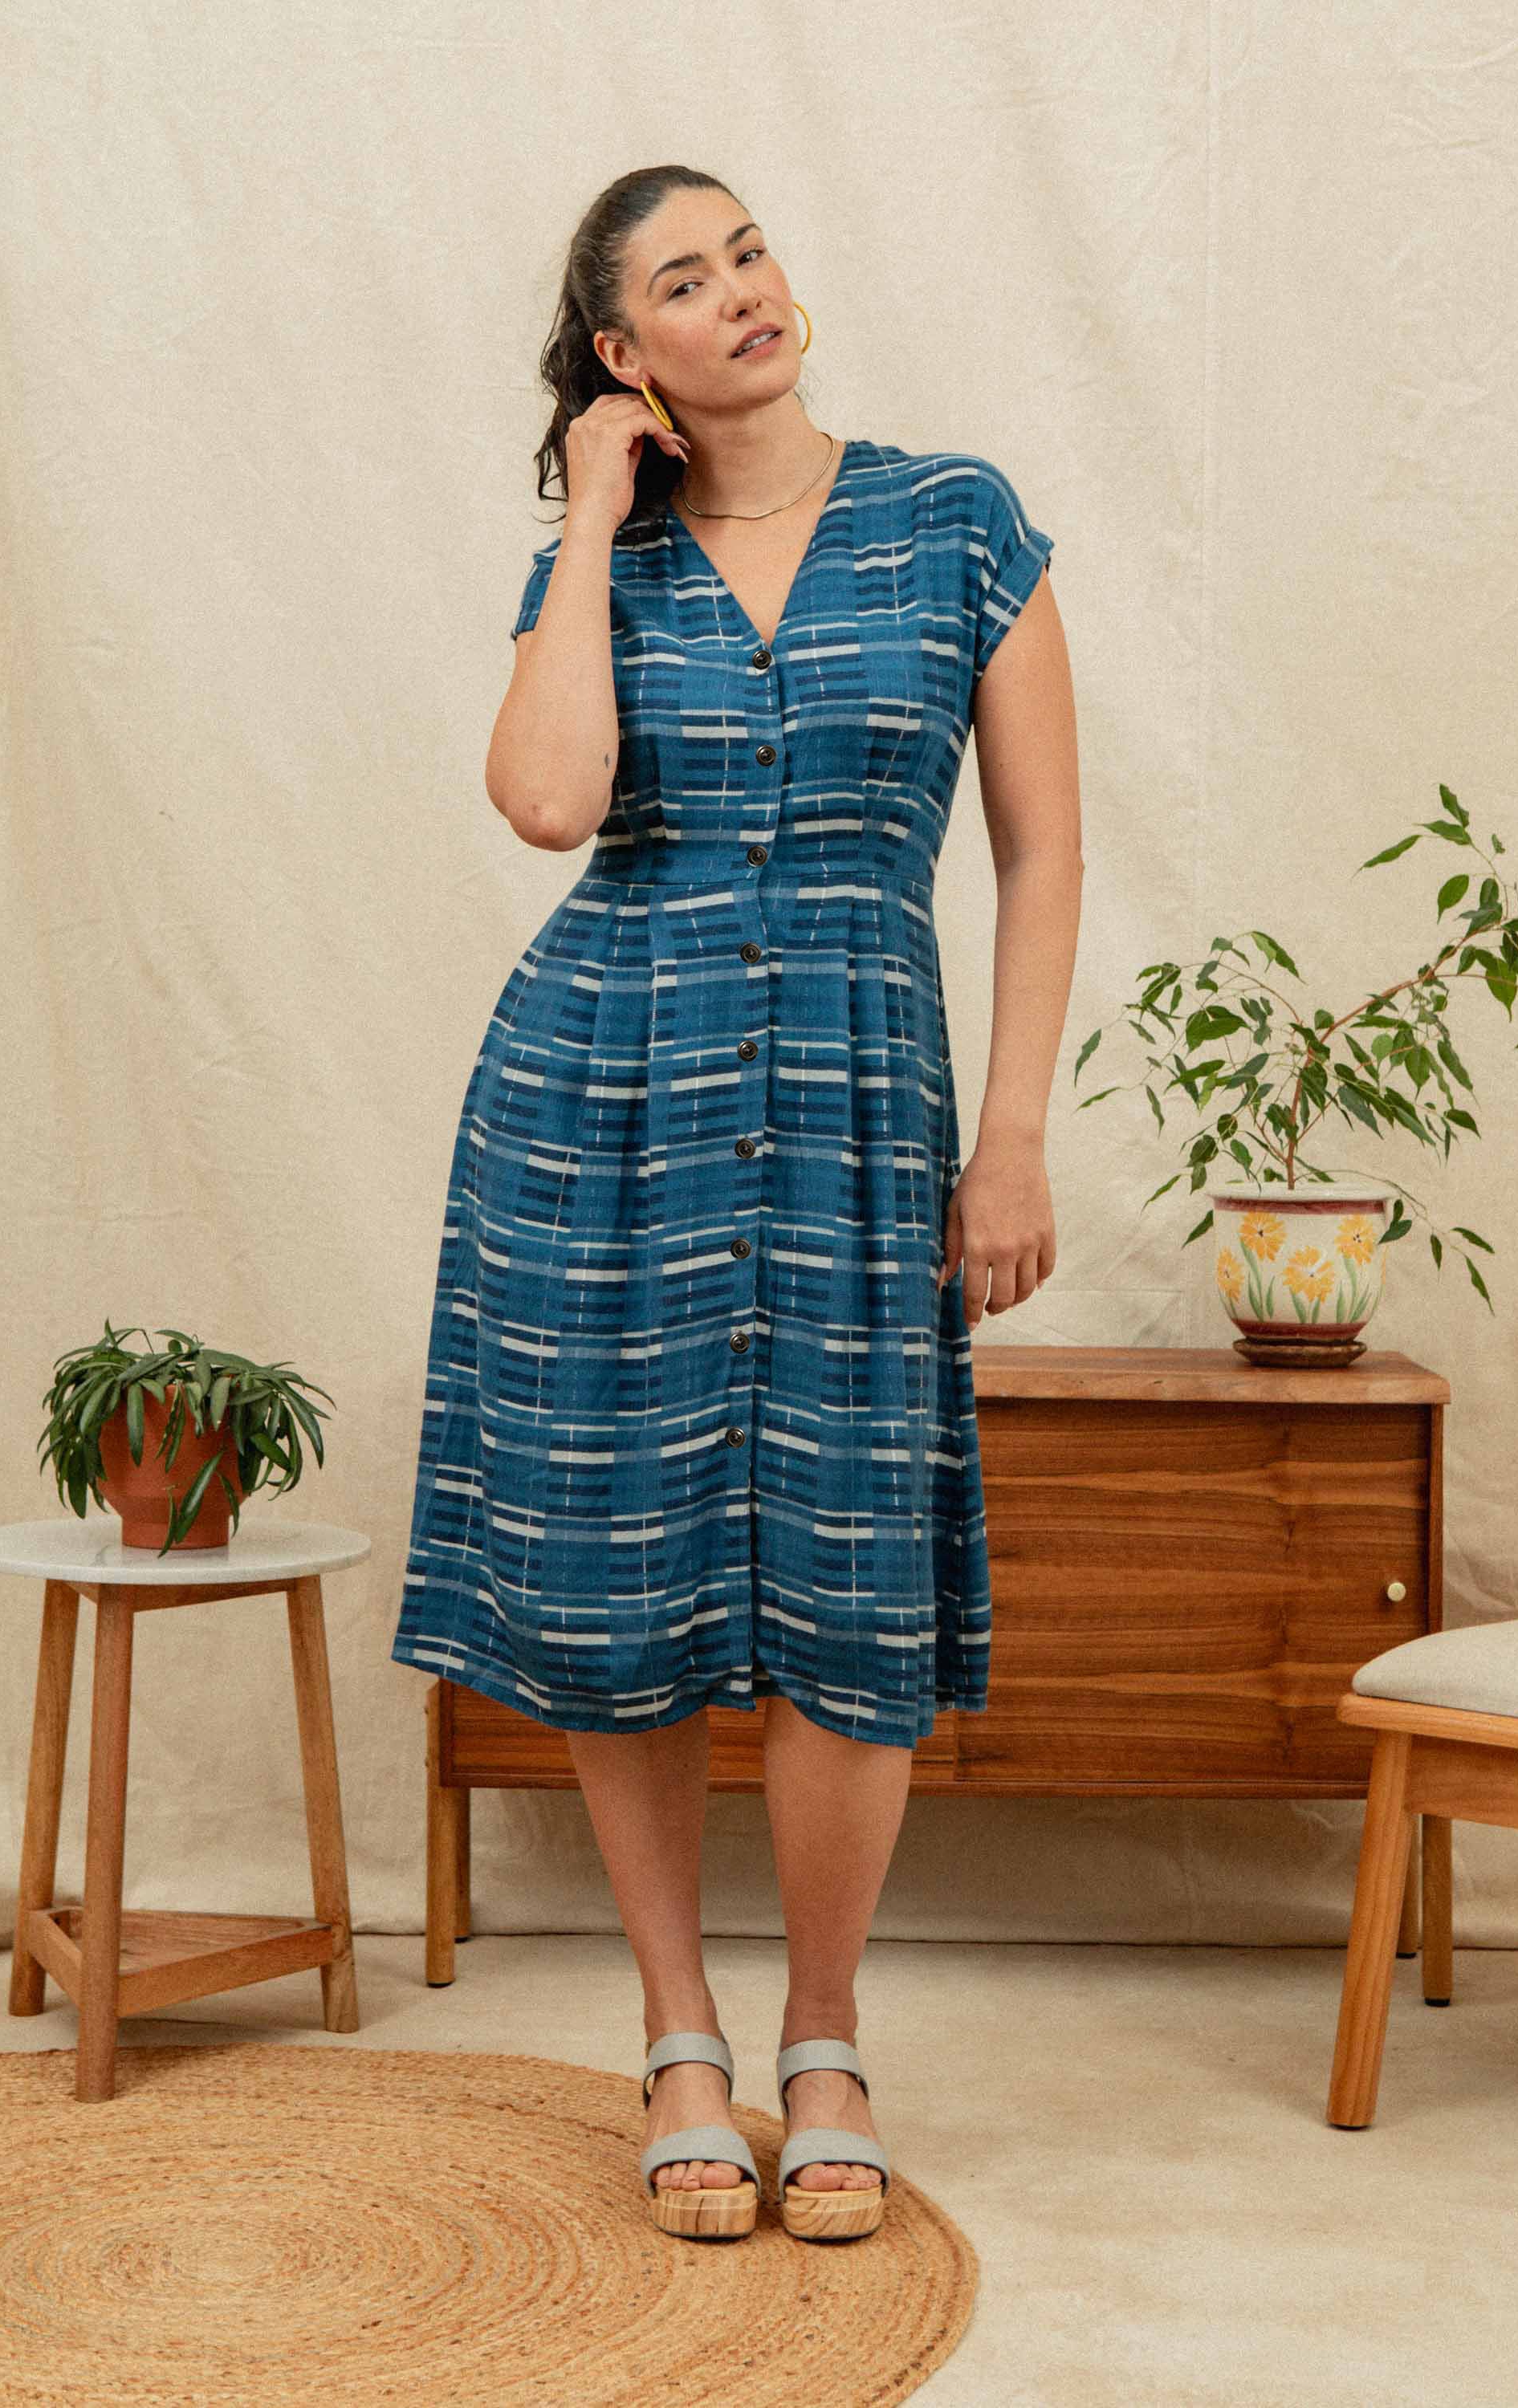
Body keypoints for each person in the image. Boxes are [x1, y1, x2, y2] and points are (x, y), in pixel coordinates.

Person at [391, 164, 1081, 2242]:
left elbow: (1040, 854)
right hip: (606, 1097)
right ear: (625, 356)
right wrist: (595, 525)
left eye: (751, 248)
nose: (742, 293)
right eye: (682, 283)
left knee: (851, 1587)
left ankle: (829, 2033)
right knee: (618, 1570)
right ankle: (680, 2029)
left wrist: (1017, 1134)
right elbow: (544, 800)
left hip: (869, 1099)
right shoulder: (594, 561)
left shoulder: (959, 519)